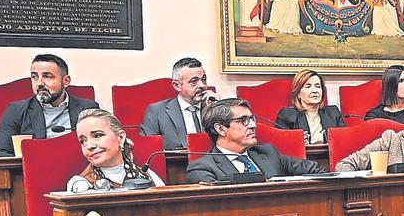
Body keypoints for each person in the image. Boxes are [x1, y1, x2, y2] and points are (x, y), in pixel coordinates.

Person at [186, 98, 325, 183]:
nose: (253, 125)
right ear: (221, 129)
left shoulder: (268, 153)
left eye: (252, 119)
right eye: (243, 121)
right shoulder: (202, 168)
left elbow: (316, 170)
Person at [0, 54, 100, 156]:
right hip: (35, 172)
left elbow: (102, 145)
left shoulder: (87, 108)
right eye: (34, 77)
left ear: (66, 81)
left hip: (80, 172)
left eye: (47, 76)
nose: (39, 83)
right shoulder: (16, 110)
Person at [67, 109, 164, 192]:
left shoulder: (147, 175)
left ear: (120, 137)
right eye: (83, 141)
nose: (89, 146)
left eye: (97, 135)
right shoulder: (79, 185)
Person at [139, 57, 219, 149]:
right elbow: (148, 149)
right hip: (176, 162)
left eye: (203, 79)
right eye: (194, 81)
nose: (202, 85)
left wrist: (219, 109)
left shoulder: (213, 107)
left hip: (213, 162)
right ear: (177, 86)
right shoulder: (157, 112)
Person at [274, 70, 345, 144]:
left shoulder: (333, 113)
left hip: (329, 154)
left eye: (318, 86)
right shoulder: (287, 115)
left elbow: (343, 140)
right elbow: (279, 144)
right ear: (298, 93)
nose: (314, 91)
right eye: (308, 86)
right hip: (300, 155)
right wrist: (295, 142)